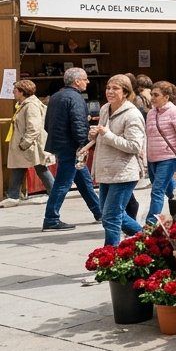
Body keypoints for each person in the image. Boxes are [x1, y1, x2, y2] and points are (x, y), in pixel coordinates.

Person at [90, 75, 147, 246]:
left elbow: (134, 146)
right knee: (110, 213)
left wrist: (106, 135)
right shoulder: (104, 109)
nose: (110, 91)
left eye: (115, 88)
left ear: (125, 92)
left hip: (123, 172)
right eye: (108, 87)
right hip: (105, 169)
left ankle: (110, 255)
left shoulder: (132, 115)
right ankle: (147, 239)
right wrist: (94, 134)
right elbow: (103, 136)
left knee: (111, 216)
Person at [42, 68, 101, 230]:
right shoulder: (75, 98)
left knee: (84, 181)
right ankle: (51, 219)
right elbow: (79, 124)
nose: (87, 82)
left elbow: (47, 124)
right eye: (85, 79)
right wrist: (84, 145)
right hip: (72, 147)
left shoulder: (55, 96)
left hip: (61, 144)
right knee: (62, 183)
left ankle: (100, 212)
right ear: (77, 81)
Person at [144, 81, 176, 224]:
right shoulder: (151, 113)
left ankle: (151, 224)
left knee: (157, 190)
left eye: (156, 95)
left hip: (169, 157)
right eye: (152, 94)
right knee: (170, 191)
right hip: (152, 157)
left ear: (166, 97)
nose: (152, 97)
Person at [3, 80, 55, 207]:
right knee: (20, 168)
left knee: (40, 167)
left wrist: (24, 143)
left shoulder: (31, 105)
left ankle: (54, 193)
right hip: (27, 145)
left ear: (22, 92)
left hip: (30, 145)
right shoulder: (24, 104)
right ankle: (13, 195)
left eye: (15, 90)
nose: (13, 92)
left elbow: (34, 127)